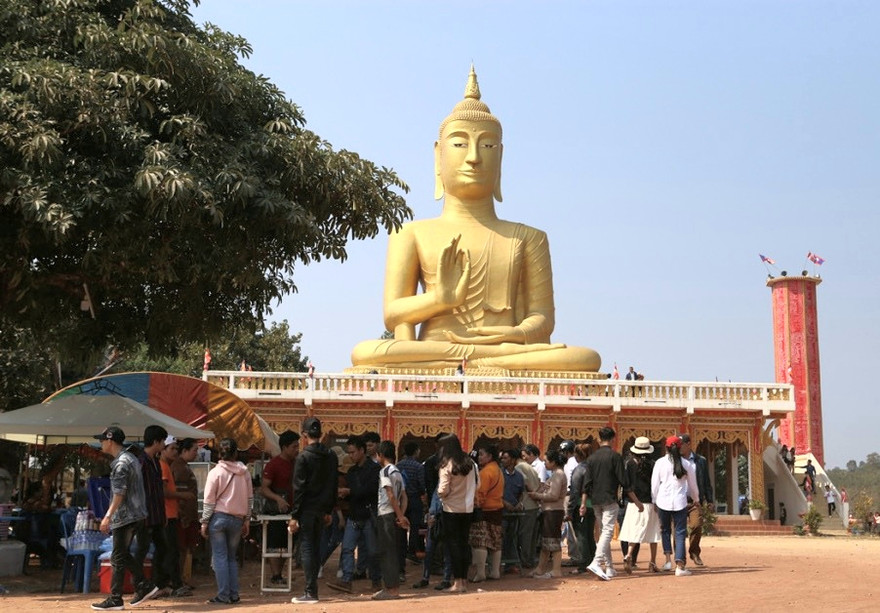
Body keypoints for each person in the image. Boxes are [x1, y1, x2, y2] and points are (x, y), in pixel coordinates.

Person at [350, 66, 601, 373]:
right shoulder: (410, 232)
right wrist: (439, 299)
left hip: (507, 350)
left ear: (501, 157)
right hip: (438, 347)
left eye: (487, 145)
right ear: (438, 156)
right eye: (459, 144)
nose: (473, 157)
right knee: (365, 353)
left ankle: (480, 361)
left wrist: (516, 333)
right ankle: (468, 361)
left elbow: (543, 318)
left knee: (586, 358)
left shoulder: (529, 238)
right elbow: (393, 314)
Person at [90, 426, 158, 611]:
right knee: (122, 554)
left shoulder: (121, 464)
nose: (100, 443)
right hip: (136, 513)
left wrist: (107, 516)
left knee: (118, 556)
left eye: (102, 440)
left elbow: (119, 493)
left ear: (110, 441)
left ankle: (116, 598)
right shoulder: (131, 459)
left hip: (125, 515)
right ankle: (143, 585)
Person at [288, 417, 338, 604]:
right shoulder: (331, 455)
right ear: (321, 434)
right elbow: (333, 484)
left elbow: (299, 489)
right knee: (316, 547)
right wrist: (329, 510)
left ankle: (311, 592)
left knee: (307, 548)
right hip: (323, 510)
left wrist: (294, 515)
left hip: (308, 510)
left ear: (304, 434)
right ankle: (312, 591)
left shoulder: (303, 457)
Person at [201, 438, 253, 605]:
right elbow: (250, 499)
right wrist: (247, 520)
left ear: (219, 453)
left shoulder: (215, 473)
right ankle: (234, 594)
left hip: (218, 518)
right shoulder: (245, 472)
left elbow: (208, 501)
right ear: (236, 452)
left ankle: (224, 595)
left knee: (220, 557)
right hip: (238, 520)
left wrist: (204, 522)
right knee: (231, 558)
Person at [329, 436, 381, 594]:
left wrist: (350, 492)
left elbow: (372, 491)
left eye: (353, 452)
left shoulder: (374, 470)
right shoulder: (351, 471)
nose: (350, 456)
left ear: (361, 451)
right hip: (354, 514)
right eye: (349, 453)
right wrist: (345, 494)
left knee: (372, 551)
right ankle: (346, 580)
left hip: (368, 514)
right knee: (347, 548)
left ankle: (376, 581)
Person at [436, 433, 479, 593]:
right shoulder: (471, 464)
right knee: (463, 544)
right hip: (468, 509)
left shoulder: (446, 464)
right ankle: (464, 581)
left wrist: (444, 496)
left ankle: (457, 582)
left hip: (451, 509)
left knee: (453, 546)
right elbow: (478, 484)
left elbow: (442, 490)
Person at [651, 435, 699, 577]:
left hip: (662, 502)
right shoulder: (687, 464)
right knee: (680, 533)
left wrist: (654, 500)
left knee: (665, 530)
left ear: (666, 447)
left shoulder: (660, 463)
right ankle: (680, 566)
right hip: (680, 502)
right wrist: (696, 499)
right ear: (680, 448)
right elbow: (693, 486)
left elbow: (654, 484)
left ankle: (667, 561)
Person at [583, 426, 626, 581]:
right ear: (613, 439)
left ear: (599, 439)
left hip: (595, 500)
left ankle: (609, 567)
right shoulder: (615, 457)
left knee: (603, 533)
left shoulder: (591, 458)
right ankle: (597, 562)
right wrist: (634, 499)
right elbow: (623, 480)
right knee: (607, 531)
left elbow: (586, 483)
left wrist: (583, 503)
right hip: (610, 499)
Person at [132, 425, 170, 599]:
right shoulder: (140, 462)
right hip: (144, 516)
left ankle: (156, 584)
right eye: (163, 441)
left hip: (156, 515)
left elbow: (157, 491)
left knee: (162, 549)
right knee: (142, 551)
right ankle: (140, 586)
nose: (164, 445)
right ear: (156, 441)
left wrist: (163, 515)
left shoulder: (155, 461)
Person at [260, 430, 300, 585]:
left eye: (298, 446)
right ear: (284, 447)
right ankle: (275, 575)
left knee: (287, 544)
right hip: (276, 512)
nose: (297, 450)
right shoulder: (274, 464)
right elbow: (264, 488)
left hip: (293, 510)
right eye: (294, 447)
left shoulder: (298, 463)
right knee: (275, 544)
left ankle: (280, 574)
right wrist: (278, 499)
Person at [372, 441, 410, 601]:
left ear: (380, 455)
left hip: (386, 514)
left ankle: (391, 589)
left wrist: (400, 516)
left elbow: (391, 495)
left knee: (387, 552)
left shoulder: (385, 472)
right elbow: (404, 496)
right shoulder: (398, 472)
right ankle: (392, 587)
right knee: (392, 551)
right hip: (394, 514)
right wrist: (401, 514)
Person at [619, 437, 660, 573]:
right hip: (649, 502)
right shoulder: (653, 464)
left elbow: (627, 486)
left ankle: (629, 555)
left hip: (633, 503)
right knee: (653, 534)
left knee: (634, 532)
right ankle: (652, 562)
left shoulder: (628, 463)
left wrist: (636, 502)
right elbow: (655, 486)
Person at [159, 436, 193, 597]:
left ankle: (168, 583)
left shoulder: (168, 465)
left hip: (172, 514)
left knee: (172, 551)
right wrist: (183, 495)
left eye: (176, 449)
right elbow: (164, 491)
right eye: (172, 448)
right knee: (172, 552)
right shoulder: (164, 466)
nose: (175, 451)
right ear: (163, 449)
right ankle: (174, 584)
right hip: (167, 515)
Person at [527, 449, 566, 579]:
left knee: (553, 541)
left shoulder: (558, 475)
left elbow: (554, 496)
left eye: (546, 461)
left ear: (553, 462)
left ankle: (556, 570)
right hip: (549, 511)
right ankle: (540, 568)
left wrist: (537, 495)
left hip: (553, 511)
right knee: (546, 541)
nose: (544, 464)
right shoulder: (555, 474)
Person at [469, 444, 504, 582]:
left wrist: (475, 504)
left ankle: (481, 572)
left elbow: (480, 494)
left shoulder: (485, 472)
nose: (479, 457)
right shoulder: (499, 471)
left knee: (480, 542)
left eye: (482, 454)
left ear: (490, 456)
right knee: (495, 541)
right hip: (497, 509)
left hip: (484, 510)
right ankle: (495, 571)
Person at [680, 433, 713, 567]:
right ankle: (680, 558)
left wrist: (709, 500)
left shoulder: (701, 461)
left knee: (696, 525)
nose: (679, 448)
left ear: (688, 444)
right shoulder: (676, 460)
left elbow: (706, 481)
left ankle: (694, 552)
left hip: (695, 501)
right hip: (679, 500)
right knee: (679, 530)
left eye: (681, 444)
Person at [171, 438, 200, 589]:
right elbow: (179, 493)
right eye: (194, 450)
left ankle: (182, 578)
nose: (197, 453)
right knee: (181, 549)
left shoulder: (184, 467)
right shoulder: (179, 468)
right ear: (185, 451)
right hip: (184, 517)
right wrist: (183, 515)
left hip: (188, 514)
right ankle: (179, 580)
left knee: (186, 549)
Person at [566, 443, 596, 576]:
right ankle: (593, 561)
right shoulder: (594, 468)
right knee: (590, 535)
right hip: (593, 505)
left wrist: (569, 509)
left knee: (582, 536)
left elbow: (575, 491)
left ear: (577, 455)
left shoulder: (579, 470)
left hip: (580, 505)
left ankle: (583, 564)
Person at [397, 441, 427, 561]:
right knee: (414, 527)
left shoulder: (399, 465)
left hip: (401, 498)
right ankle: (412, 551)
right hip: (414, 499)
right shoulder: (418, 467)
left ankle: (402, 551)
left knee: (402, 526)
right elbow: (421, 484)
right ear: (415, 451)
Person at [514, 449, 541, 570]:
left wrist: (532, 493)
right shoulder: (531, 468)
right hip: (534, 505)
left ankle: (525, 560)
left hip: (527, 504)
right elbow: (539, 483)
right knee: (531, 535)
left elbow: (525, 483)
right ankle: (530, 558)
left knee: (525, 535)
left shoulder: (519, 467)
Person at [499, 448, 525, 573]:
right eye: (502, 458)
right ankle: (498, 564)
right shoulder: (499, 474)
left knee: (512, 538)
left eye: (506, 458)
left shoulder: (519, 476)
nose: (503, 460)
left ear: (513, 460)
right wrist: (505, 503)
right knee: (500, 538)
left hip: (514, 513)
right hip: (501, 513)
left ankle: (509, 564)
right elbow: (496, 493)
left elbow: (522, 493)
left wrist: (519, 503)